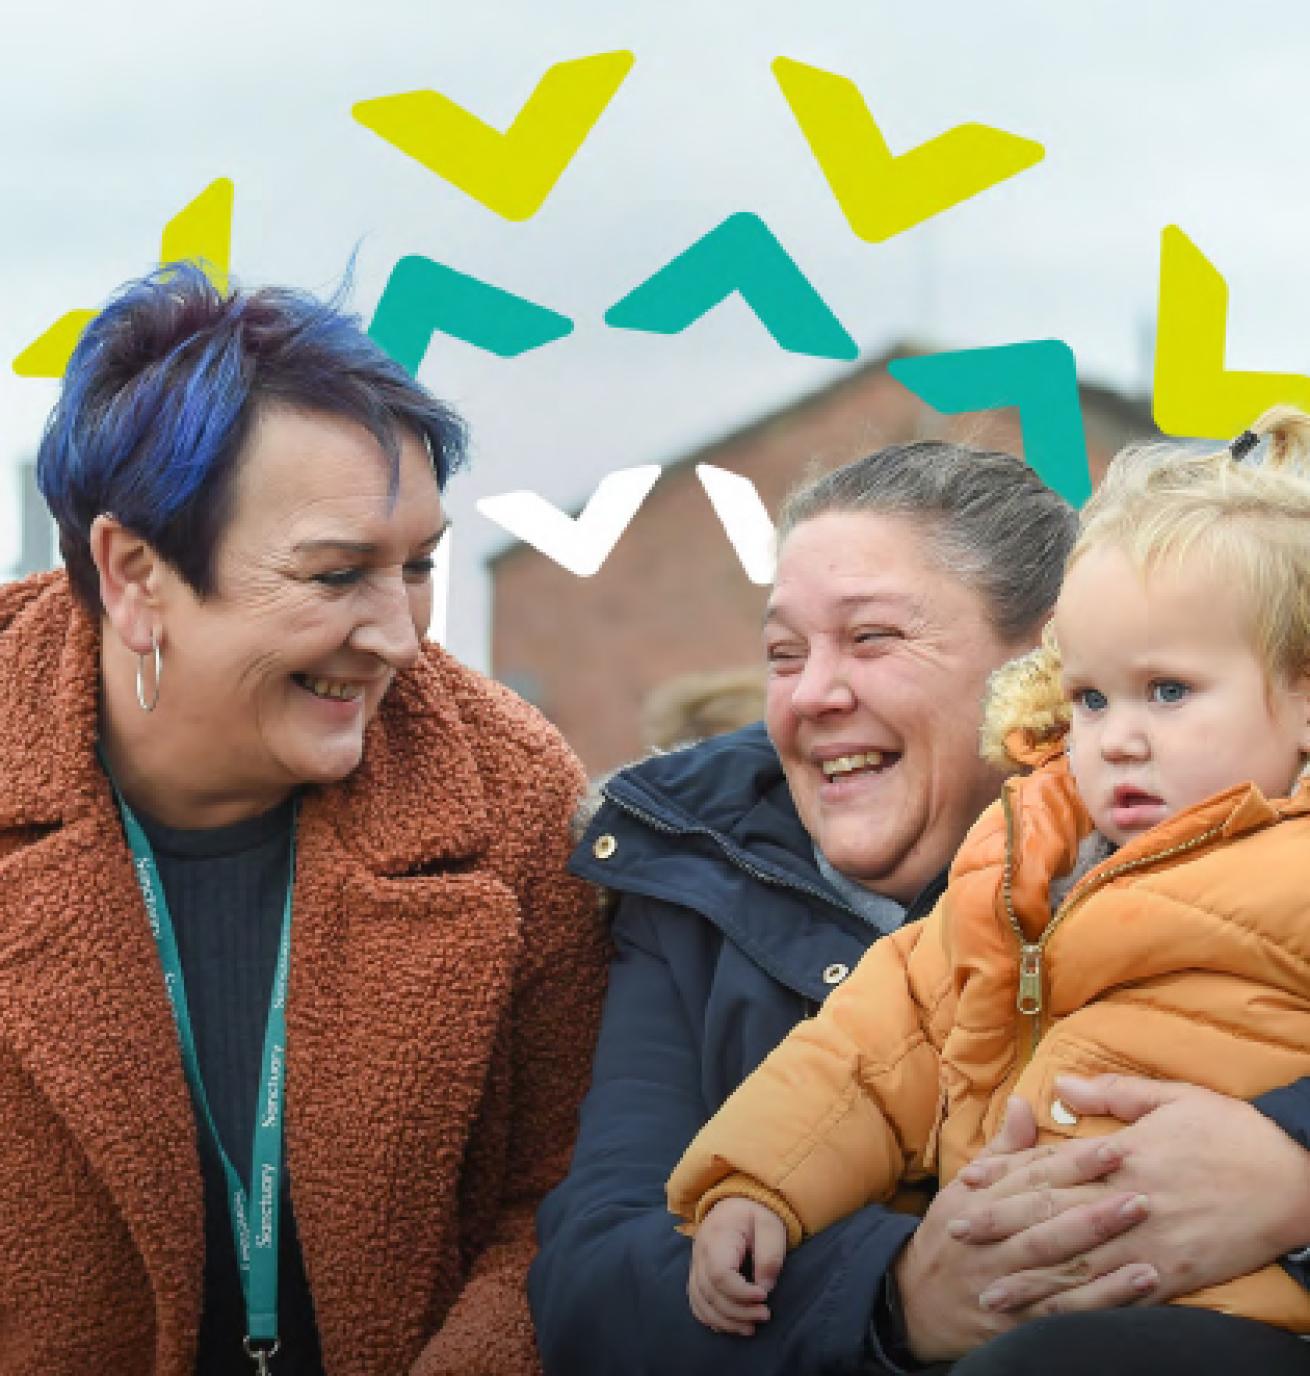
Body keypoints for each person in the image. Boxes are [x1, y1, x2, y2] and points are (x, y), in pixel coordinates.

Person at [529, 437, 1310, 1375]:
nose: (815, 692)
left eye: (873, 638)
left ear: (1027, 670)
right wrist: (891, 1295)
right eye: (782, 652)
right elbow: (599, 1280)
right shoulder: (688, 877)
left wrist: (1294, 1168)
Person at [0, 263, 607, 1376]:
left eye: (417, 565)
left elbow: (568, 1193)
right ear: (134, 572)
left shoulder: (515, 795)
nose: (400, 635)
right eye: (336, 575)